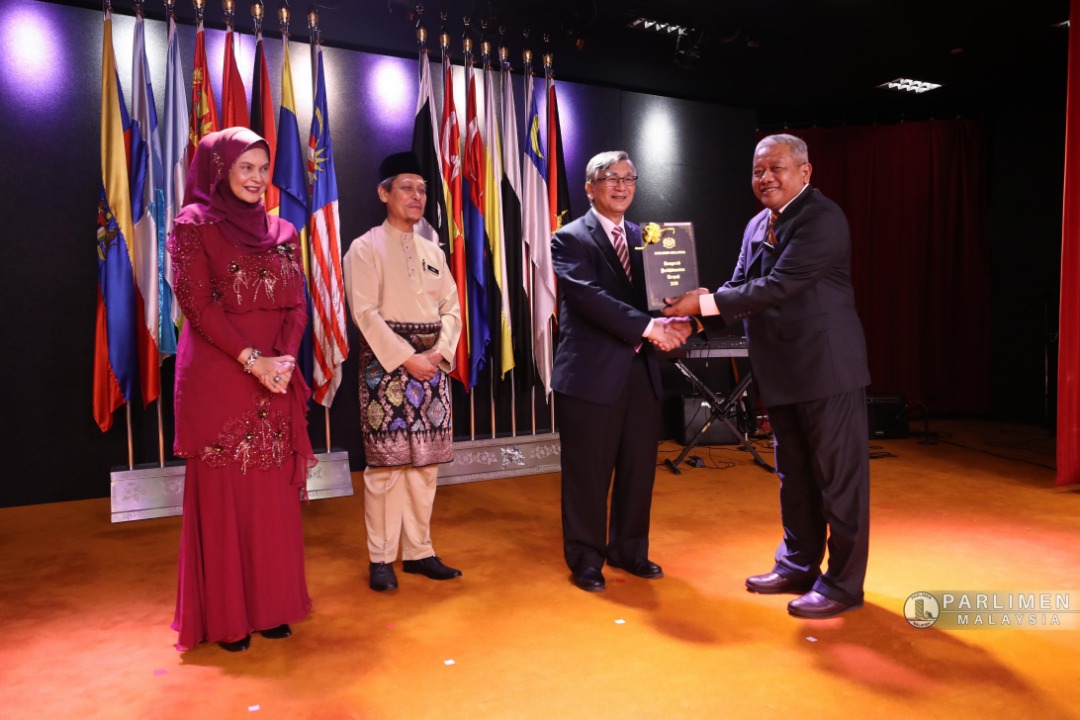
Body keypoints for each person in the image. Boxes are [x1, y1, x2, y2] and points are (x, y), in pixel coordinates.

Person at [664, 133, 871, 619]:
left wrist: (703, 304)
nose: (765, 178)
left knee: (838, 483)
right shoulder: (759, 222)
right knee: (794, 477)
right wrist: (693, 319)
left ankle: (842, 584)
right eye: (758, 170)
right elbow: (740, 285)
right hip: (780, 372)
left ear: (805, 171)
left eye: (776, 168)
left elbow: (778, 286)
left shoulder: (822, 219)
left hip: (826, 371)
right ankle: (797, 565)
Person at [168, 127, 315, 652]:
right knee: (226, 496)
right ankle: (228, 615)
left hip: (275, 376)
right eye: (245, 167)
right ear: (219, 170)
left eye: (263, 168)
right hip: (221, 376)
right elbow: (198, 306)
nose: (257, 178)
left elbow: (297, 304)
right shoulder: (193, 225)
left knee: (271, 497)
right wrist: (255, 362)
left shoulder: (284, 230)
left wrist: (285, 361)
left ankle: (271, 606)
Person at [551, 150, 693, 592]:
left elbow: (663, 294)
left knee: (638, 469)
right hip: (591, 375)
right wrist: (653, 328)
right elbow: (589, 298)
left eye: (629, 178)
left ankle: (629, 550)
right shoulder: (569, 238)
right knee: (587, 474)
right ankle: (586, 558)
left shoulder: (649, 237)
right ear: (589, 187)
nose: (621, 186)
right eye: (610, 178)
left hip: (641, 372)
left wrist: (684, 310)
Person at [343, 152, 463, 592]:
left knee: (425, 466)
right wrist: (407, 357)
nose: (417, 196)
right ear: (384, 193)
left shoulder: (432, 251)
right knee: (386, 468)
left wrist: (440, 353)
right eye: (407, 188)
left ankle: (419, 552)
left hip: (432, 369)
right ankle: (381, 557)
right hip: (386, 369)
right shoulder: (364, 248)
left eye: (422, 189)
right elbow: (364, 313)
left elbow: (451, 308)